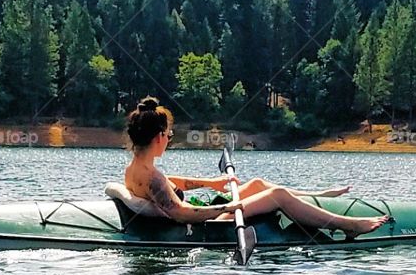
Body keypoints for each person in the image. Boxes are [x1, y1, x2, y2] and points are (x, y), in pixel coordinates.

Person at [123, 97, 390, 238]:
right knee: (278, 195)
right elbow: (181, 213)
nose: (169, 140)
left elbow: (172, 183)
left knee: (259, 184)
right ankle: (349, 225)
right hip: (214, 220)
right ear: (158, 137)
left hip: (210, 208)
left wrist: (211, 183)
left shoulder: (139, 168)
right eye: (169, 136)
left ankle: (315, 197)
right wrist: (227, 207)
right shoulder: (152, 178)